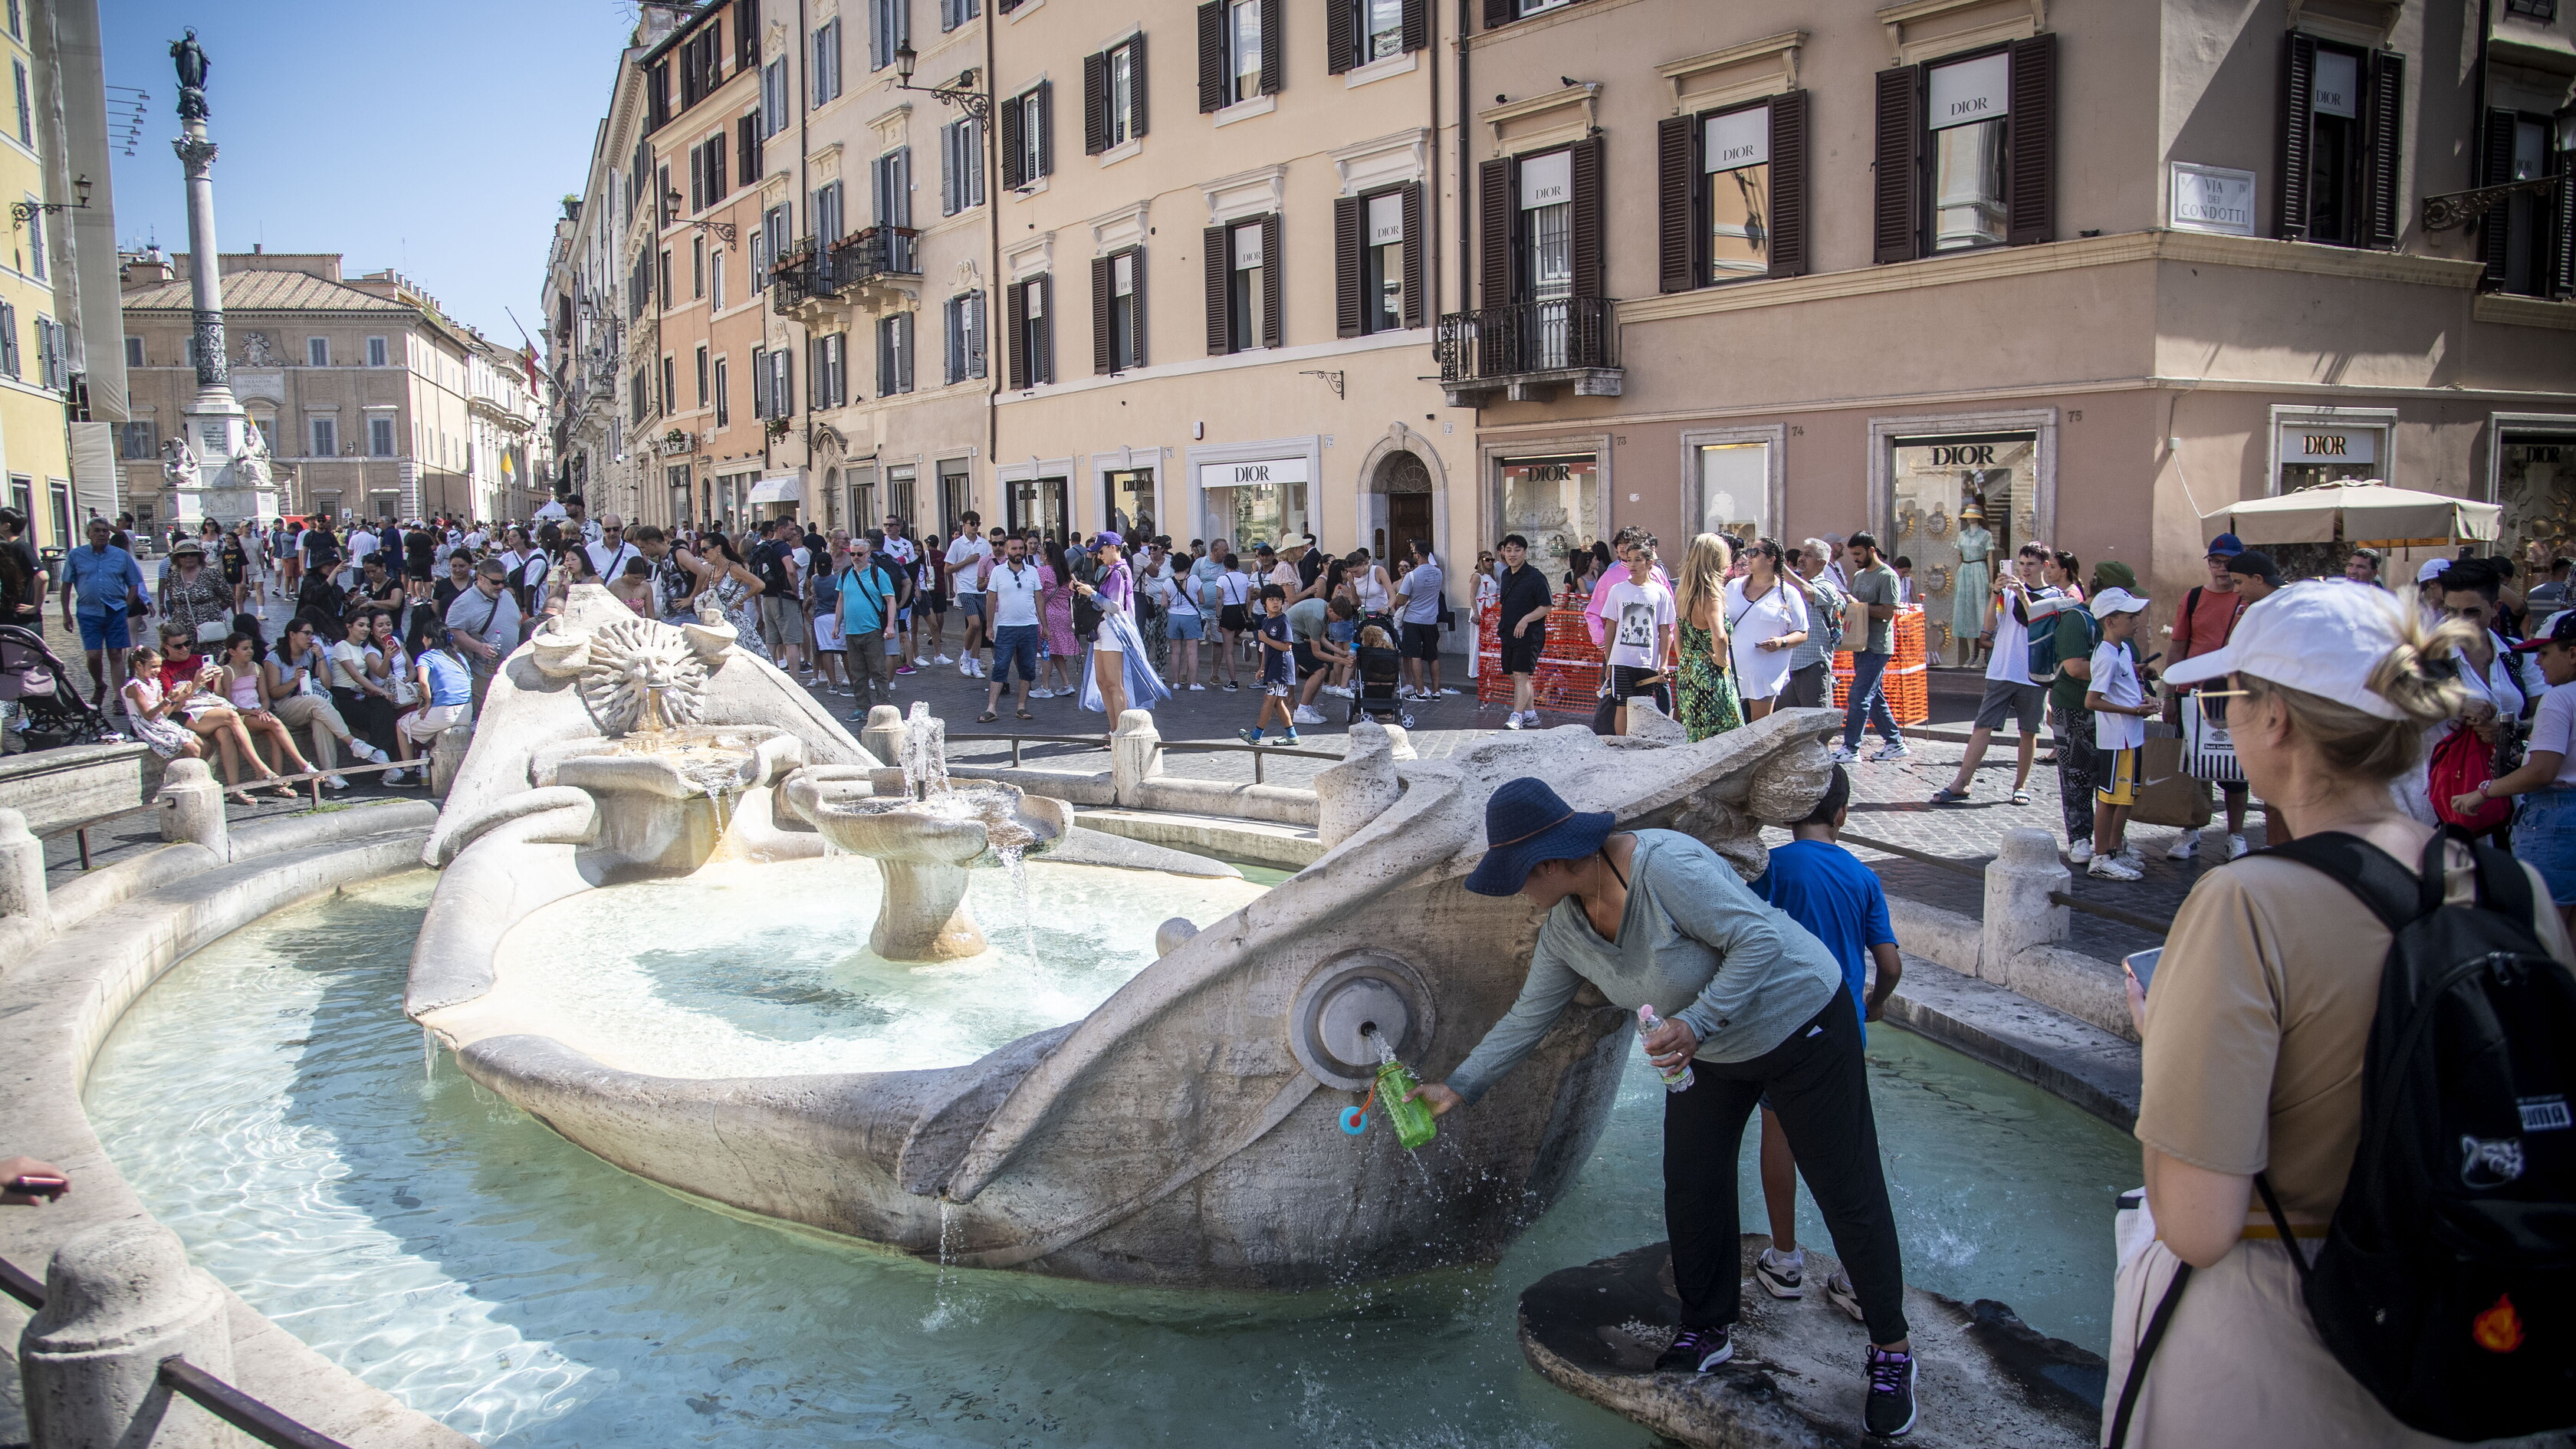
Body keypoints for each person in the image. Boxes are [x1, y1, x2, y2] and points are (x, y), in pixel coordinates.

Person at [2110, 581, 2572, 1447]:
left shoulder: (2246, 901)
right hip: (2467, 1329)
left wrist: (2162, 1045)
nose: (2227, 720)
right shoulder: (2517, 891)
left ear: (2276, 718)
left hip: (2280, 1340)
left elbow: (2198, 1223)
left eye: (2228, 698)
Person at [1408, 778, 1920, 1436]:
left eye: (1518, 876)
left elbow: (1759, 940)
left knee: (1845, 1188)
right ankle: (1708, 1329)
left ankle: (1892, 1351)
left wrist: (1699, 1023)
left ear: (1554, 863)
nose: (1516, 892)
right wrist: (1457, 1086)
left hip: (1800, 1023)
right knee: (1693, 1182)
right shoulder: (1567, 928)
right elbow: (1527, 1018)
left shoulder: (1665, 864)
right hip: (1708, 1051)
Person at [1748, 765, 1902, 1312]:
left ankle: (1785, 1258)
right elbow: (1888, 962)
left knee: (1779, 1132)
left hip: (1782, 1025)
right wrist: (1876, 1002)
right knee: (1847, 1146)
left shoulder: (1771, 868)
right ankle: (1858, 1278)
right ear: (1842, 814)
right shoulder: (1863, 877)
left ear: (1790, 812)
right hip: (1843, 1029)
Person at [1931, 543, 2058, 807]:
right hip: (2002, 669)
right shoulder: (2008, 594)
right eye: (2022, 563)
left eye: (2031, 564)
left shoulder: (2054, 596)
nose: (2025, 569)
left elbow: (2039, 622)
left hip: (2033, 673)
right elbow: (1988, 627)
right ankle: (1961, 783)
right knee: (1982, 726)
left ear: (2045, 566)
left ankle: (2020, 786)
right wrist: (1995, 593)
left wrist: (2024, 596)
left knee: (2028, 732)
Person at [2164, 534, 2256, 860]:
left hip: (2233, 693)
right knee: (2192, 767)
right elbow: (2178, 646)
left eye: (2228, 563)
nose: (2221, 569)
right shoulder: (2192, 599)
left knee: (2235, 770)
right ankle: (2190, 831)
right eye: (2215, 562)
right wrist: (2170, 695)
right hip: (2192, 692)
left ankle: (2236, 835)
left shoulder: (2249, 599)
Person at [2050, 556, 2121, 865]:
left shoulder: (2120, 624)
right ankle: (2080, 838)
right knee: (2078, 777)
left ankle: (2110, 838)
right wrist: (2119, 671)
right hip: (2075, 707)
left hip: (2111, 710)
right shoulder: (2077, 619)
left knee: (2109, 777)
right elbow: (2076, 668)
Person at [2084, 586, 2157, 879]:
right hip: (2117, 738)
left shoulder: (2123, 650)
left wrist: (2142, 697)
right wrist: (2134, 711)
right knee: (2110, 798)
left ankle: (2114, 850)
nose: (2137, 620)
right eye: (2131, 616)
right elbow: (2092, 700)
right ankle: (2101, 857)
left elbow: (2126, 685)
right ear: (2110, 621)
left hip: (2131, 736)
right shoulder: (2107, 656)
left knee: (2126, 797)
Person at [262, 614, 379, 787]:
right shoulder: (274, 658)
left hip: (308, 704)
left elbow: (326, 684)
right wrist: (294, 681)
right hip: (284, 706)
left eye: (312, 634)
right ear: (292, 635)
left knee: (320, 721)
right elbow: (274, 693)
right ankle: (352, 742)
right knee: (316, 701)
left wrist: (321, 658)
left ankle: (331, 774)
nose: (311, 638)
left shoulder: (308, 655)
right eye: (306, 633)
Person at [1835, 534, 1908, 764]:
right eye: (1852, 554)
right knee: (1874, 697)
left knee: (1859, 696)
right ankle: (1895, 742)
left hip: (1878, 647)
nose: (1854, 559)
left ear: (1871, 550)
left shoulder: (1887, 576)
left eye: (1858, 554)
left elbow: (1887, 612)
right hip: (1860, 643)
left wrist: (1858, 606)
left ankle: (1851, 747)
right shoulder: (1858, 576)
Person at [59, 517, 146, 704]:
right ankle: (99, 684)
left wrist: (127, 607)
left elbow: (133, 584)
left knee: (116, 654)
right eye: (97, 531)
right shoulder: (76, 555)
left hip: (115, 611)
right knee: (93, 655)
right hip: (88, 612)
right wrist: (66, 613)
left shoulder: (120, 556)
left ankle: (118, 697)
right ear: (88, 534)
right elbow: (66, 585)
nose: (101, 534)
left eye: (105, 531)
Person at [215, 631, 316, 787]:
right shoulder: (228, 671)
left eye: (251, 648)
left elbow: (264, 697)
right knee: (275, 724)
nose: (250, 652)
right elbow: (228, 702)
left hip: (258, 711)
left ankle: (278, 783)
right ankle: (302, 764)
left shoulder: (257, 668)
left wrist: (262, 709)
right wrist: (252, 712)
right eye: (245, 649)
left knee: (273, 735)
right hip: (241, 714)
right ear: (232, 652)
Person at [1598, 537, 1677, 734]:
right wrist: (1609, 661)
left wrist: (1664, 663)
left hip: (1648, 661)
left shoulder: (1661, 593)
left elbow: (1665, 629)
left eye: (1638, 560)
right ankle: (1621, 745)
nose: (1632, 565)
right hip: (1622, 660)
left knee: (1642, 707)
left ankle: (1639, 742)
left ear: (1649, 563)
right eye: (1629, 560)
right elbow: (1610, 626)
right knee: (1622, 705)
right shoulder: (1618, 590)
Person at [1724, 538, 1808, 721]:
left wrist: (1781, 642)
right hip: (1730, 672)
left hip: (1764, 675)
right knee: (1730, 729)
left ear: (1771, 559)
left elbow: (1802, 633)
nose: (1749, 556)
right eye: (1748, 552)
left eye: (1755, 553)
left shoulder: (1788, 593)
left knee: (1759, 729)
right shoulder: (1733, 587)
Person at [1671, 533, 1744, 743]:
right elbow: (1719, 636)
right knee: (1723, 735)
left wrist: (1687, 660)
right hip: (1709, 673)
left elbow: (1678, 635)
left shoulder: (1684, 593)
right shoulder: (1711, 596)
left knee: (1694, 734)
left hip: (1688, 671)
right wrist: (1721, 660)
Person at [981, 534, 1045, 721]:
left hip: (1029, 626)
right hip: (1006, 627)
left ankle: (1021, 707)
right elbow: (991, 599)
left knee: (1027, 667)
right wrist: (989, 627)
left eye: (1020, 549)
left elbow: (1039, 598)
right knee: (1000, 666)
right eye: (1014, 549)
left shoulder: (1033, 571)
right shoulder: (998, 572)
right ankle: (991, 708)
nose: (1018, 552)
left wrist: (1045, 625)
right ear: (1007, 551)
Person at [445, 557, 523, 710]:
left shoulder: (506, 596)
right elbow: (452, 631)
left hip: (510, 670)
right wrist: (479, 647)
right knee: (488, 713)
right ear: (480, 578)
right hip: (484, 672)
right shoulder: (464, 602)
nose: (500, 586)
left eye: (503, 582)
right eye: (495, 582)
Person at [1494, 534, 1555, 730]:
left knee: (1521, 675)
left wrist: (1526, 619)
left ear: (1525, 552)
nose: (1512, 555)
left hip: (1530, 634)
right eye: (1509, 550)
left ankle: (1517, 716)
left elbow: (1546, 606)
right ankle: (1531, 715)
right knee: (1514, 675)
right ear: (1503, 552)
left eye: (1517, 550)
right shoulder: (1505, 575)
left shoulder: (1536, 577)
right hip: (1508, 632)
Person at [1781, 540, 1848, 711]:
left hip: (1813, 663)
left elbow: (1809, 593)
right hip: (1788, 663)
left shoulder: (1827, 586)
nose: (1801, 559)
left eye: (1808, 555)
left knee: (1816, 720)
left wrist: (1783, 570)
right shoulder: (1789, 586)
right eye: (1802, 554)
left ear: (1822, 563)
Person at [837, 536, 899, 716]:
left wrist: (889, 626)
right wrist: (836, 625)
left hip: (872, 629)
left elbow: (890, 600)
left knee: (878, 669)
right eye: (853, 554)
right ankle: (862, 707)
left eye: (859, 554)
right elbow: (841, 600)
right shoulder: (846, 573)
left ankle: (884, 706)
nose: (856, 557)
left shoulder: (878, 573)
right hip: (851, 630)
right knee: (857, 673)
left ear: (868, 554)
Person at [1239, 583, 1300, 746]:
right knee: (1277, 702)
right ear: (1264, 602)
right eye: (1271, 599)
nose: (1275, 603)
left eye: (1278, 599)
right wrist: (1262, 667)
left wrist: (1266, 639)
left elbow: (1287, 646)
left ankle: (1256, 735)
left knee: (1269, 699)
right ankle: (1292, 735)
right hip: (1272, 667)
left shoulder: (1283, 621)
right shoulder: (1266, 621)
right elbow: (1265, 647)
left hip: (1282, 668)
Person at [1395, 539, 1450, 701]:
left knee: (1415, 656)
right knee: (1433, 656)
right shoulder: (1438, 573)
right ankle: (1436, 691)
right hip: (1431, 620)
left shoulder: (1412, 576)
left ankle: (1420, 691)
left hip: (1413, 619)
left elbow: (1402, 600)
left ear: (1417, 555)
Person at [748, 520, 805, 673]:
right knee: (791, 642)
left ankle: (772, 678)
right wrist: (795, 591)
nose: (794, 532)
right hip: (784, 599)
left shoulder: (764, 546)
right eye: (791, 529)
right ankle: (795, 682)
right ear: (781, 529)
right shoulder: (783, 547)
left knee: (771, 642)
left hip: (767, 598)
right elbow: (791, 570)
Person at [948, 513, 991, 678]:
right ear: (964, 525)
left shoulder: (984, 544)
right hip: (965, 588)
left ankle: (975, 661)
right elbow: (948, 569)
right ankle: (965, 656)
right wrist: (968, 560)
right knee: (974, 624)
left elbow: (989, 562)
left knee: (979, 625)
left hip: (981, 588)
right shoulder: (957, 545)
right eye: (972, 523)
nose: (975, 526)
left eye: (978, 523)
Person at [1038, 540, 1081, 699]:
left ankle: (1045, 687)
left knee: (1047, 650)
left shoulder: (1043, 572)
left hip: (1048, 614)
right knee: (1056, 651)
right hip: (1064, 614)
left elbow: (1037, 593)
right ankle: (1066, 683)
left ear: (1046, 556)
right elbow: (1073, 590)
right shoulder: (1066, 573)